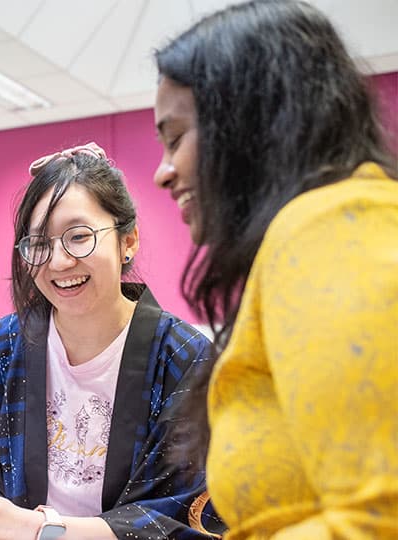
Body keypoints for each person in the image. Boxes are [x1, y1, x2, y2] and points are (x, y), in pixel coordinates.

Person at [152, 1, 398, 538]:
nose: (162, 174)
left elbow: (380, 517)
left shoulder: (326, 228)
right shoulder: (317, 232)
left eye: (175, 139)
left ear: (245, 123)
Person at [0, 143, 223, 540]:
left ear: (129, 241)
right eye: (39, 244)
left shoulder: (184, 357)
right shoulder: (0, 347)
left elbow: (186, 514)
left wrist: (42, 530)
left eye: (79, 236)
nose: (58, 262)